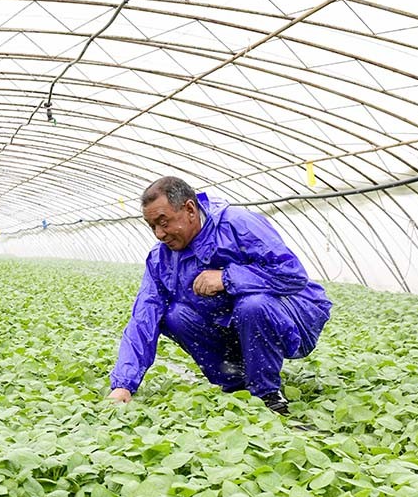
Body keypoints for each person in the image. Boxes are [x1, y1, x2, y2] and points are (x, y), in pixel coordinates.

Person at [108, 176, 333, 414]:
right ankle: (236, 384)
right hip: (229, 326)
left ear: (190, 209)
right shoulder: (161, 258)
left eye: (164, 222)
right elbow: (144, 315)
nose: (159, 234)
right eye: (152, 226)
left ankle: (266, 394)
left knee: (253, 305)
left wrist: (227, 278)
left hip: (292, 315)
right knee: (173, 315)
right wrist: (124, 384)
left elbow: (291, 275)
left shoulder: (238, 224)